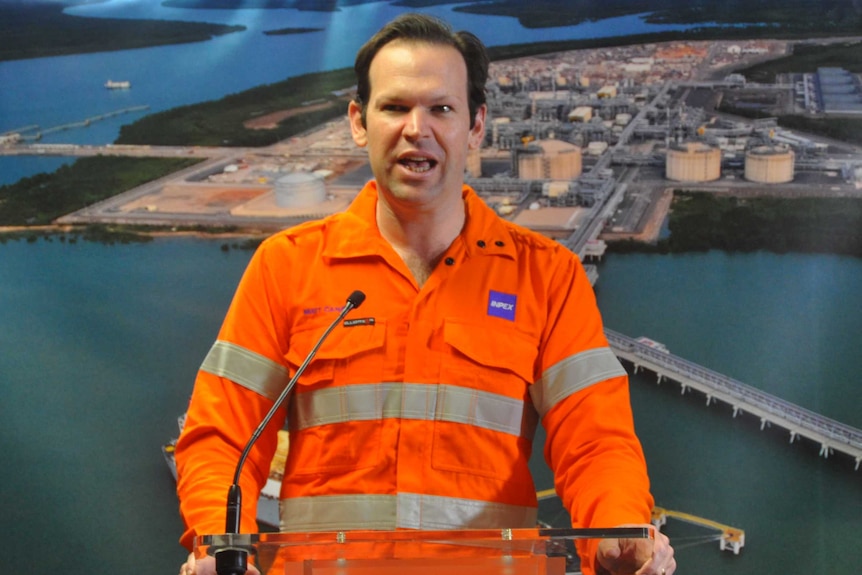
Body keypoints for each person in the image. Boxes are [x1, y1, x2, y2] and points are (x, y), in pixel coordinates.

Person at [175, 12, 675, 575]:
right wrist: (222, 546)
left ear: (476, 125)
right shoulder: (287, 267)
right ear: (358, 123)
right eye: (394, 107)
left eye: (441, 108)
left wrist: (618, 531)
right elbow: (222, 437)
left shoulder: (546, 277)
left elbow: (597, 443)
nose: (418, 128)